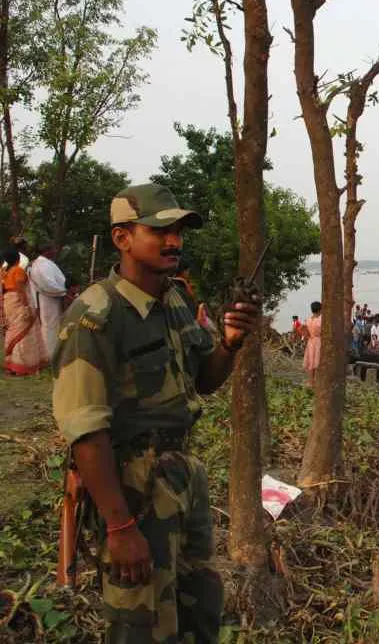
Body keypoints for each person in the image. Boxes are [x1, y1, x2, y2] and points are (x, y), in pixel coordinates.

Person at [51, 183, 259, 642]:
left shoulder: (176, 300)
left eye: (179, 232)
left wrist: (229, 342)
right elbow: (85, 431)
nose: (174, 241)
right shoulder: (96, 315)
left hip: (184, 478)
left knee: (199, 605)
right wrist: (121, 526)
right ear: (123, 238)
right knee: (139, 623)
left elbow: (204, 378)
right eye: (161, 230)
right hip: (131, 485)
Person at [2, 248, 48, 376]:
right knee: (25, 332)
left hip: (8, 302)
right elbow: (21, 289)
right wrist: (27, 307)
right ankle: (22, 366)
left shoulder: (3, 271)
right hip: (18, 301)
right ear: (18, 258)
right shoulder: (17, 270)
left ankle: (11, 365)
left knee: (13, 331)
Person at [28, 243, 67, 360]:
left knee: (54, 325)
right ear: (46, 251)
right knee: (50, 327)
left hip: (53, 299)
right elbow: (47, 285)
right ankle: (49, 355)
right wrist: (64, 291)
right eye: (52, 249)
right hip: (48, 300)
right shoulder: (41, 265)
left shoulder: (45, 263)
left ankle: (55, 353)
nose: (55, 251)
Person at [303, 301, 322, 386]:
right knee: (318, 361)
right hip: (319, 340)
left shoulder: (308, 320)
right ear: (320, 309)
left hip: (311, 341)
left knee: (311, 362)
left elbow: (304, 332)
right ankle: (317, 381)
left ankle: (310, 382)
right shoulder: (321, 319)